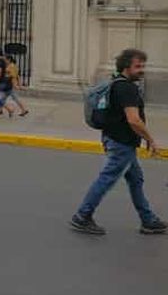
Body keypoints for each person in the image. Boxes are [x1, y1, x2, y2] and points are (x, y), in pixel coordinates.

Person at [70, 49, 166, 235]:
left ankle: (148, 220)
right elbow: (133, 120)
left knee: (136, 179)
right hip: (121, 143)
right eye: (138, 66)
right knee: (107, 179)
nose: (142, 69)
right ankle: (82, 215)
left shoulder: (117, 83)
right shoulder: (127, 88)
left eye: (143, 65)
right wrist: (150, 139)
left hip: (115, 139)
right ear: (126, 67)